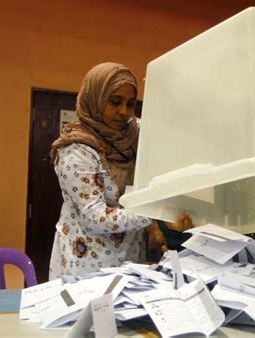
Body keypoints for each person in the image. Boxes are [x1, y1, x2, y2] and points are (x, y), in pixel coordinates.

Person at [48, 62, 191, 280]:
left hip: (131, 260)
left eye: (131, 104)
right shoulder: (75, 151)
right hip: (88, 265)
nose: (123, 111)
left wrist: (166, 93)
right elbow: (95, 217)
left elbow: (165, 129)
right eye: (115, 102)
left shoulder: (131, 134)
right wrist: (157, 213)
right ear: (96, 98)